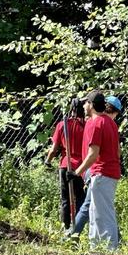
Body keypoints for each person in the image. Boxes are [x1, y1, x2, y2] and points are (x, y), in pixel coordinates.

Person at [67, 90, 121, 250]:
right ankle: (95, 248)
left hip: (102, 172)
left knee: (104, 214)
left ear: (91, 104)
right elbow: (117, 151)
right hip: (108, 172)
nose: (83, 106)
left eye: (85, 102)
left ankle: (111, 249)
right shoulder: (109, 122)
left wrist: (76, 172)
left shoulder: (95, 123)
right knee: (94, 212)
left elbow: (93, 154)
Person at [44, 98, 86, 232]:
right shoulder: (86, 125)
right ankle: (79, 226)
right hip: (81, 167)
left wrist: (48, 161)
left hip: (65, 165)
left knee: (65, 198)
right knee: (81, 197)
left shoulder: (62, 125)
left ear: (71, 109)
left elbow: (54, 148)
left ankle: (66, 226)